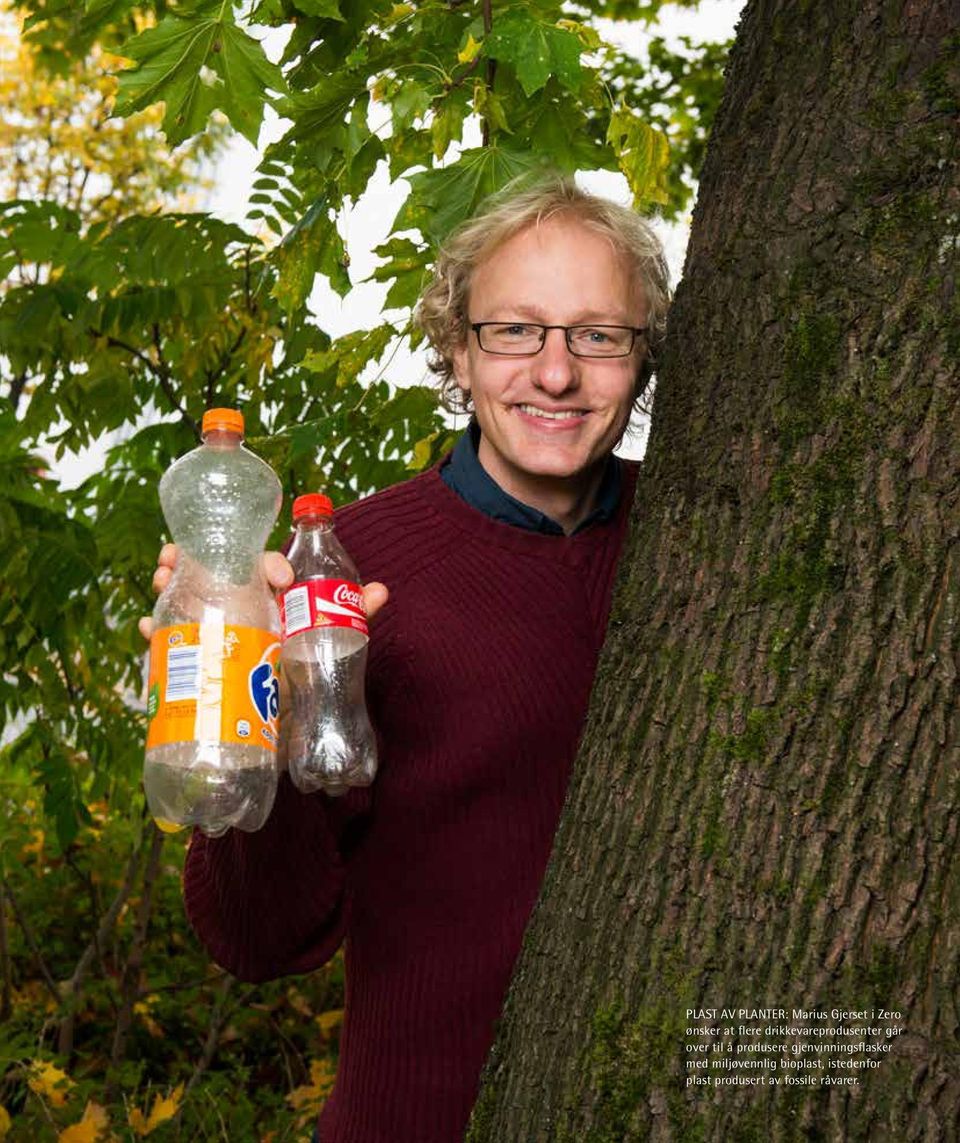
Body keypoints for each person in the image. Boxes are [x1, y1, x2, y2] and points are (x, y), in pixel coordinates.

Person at [145, 174, 670, 1142]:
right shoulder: (347, 572)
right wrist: (262, 706)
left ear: (641, 360)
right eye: (515, 331)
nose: (555, 374)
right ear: (459, 355)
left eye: (597, 336)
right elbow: (260, 942)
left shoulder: (703, 533)